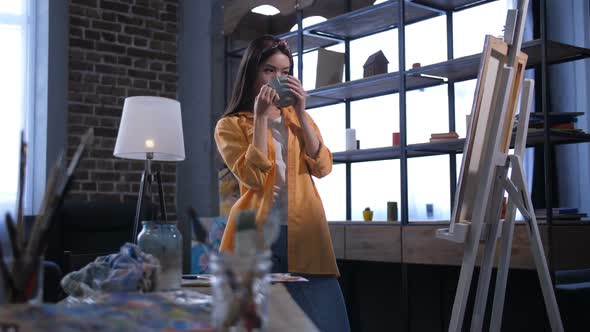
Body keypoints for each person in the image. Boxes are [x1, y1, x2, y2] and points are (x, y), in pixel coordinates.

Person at [214, 35, 350, 332]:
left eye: (285, 72)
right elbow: (253, 177)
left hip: (306, 230)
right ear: (252, 72)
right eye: (269, 71)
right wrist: (261, 119)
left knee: (331, 324)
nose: (279, 78)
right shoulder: (230, 125)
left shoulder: (300, 119)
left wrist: (300, 111)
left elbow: (323, 166)